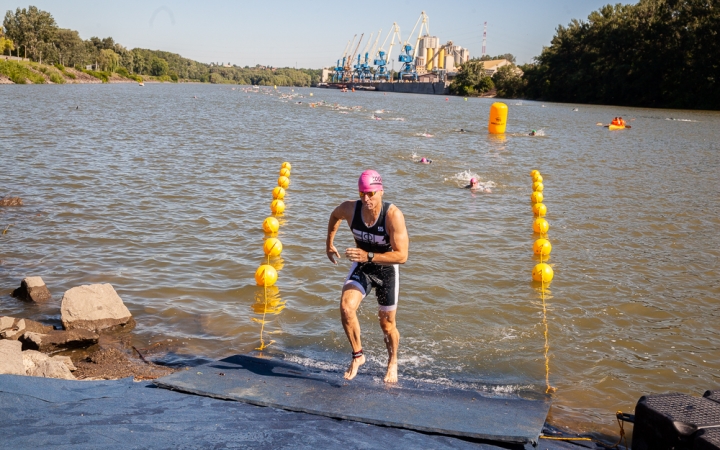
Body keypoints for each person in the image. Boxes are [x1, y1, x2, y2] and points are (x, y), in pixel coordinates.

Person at [326, 170, 409, 383]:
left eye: (371, 193)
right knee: (346, 307)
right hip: (363, 266)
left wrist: (369, 255)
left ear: (381, 191)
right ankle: (357, 355)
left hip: (387, 269)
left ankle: (392, 361)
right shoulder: (350, 209)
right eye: (362, 193)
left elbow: (402, 256)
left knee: (387, 324)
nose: (366, 199)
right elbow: (335, 215)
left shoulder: (393, 216)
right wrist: (329, 244)